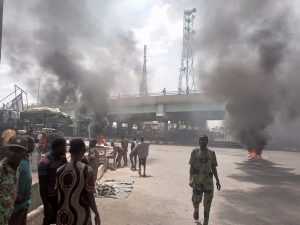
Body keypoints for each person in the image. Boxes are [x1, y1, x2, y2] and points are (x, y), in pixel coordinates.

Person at [56, 139, 101, 225]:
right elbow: (90, 196)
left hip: (63, 217)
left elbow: (57, 194)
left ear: (69, 151)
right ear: (84, 151)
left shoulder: (59, 170)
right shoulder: (87, 170)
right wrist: (96, 213)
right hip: (81, 216)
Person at [189, 135, 221, 225]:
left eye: (203, 140)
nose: (201, 142)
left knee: (207, 204)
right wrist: (190, 179)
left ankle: (206, 221)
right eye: (200, 140)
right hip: (197, 182)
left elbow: (214, 167)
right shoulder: (194, 152)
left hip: (208, 183)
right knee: (195, 200)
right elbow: (191, 166)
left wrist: (218, 180)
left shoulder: (212, 153)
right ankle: (196, 209)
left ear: (207, 141)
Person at [38, 137, 67, 225]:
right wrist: (46, 205)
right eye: (64, 147)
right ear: (57, 147)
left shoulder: (61, 159)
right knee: (49, 218)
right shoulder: (45, 162)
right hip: (51, 197)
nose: (66, 149)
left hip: (61, 195)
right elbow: (42, 185)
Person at [0, 135, 28, 224]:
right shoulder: (1, 170)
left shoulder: (17, 169)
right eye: (10, 149)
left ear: (24, 153)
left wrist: (15, 196)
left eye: (17, 151)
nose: (12, 153)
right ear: (6, 150)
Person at [9, 136, 35, 225]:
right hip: (14, 207)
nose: (33, 145)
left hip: (24, 204)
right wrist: (14, 195)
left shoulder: (26, 159)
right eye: (31, 143)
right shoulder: (14, 163)